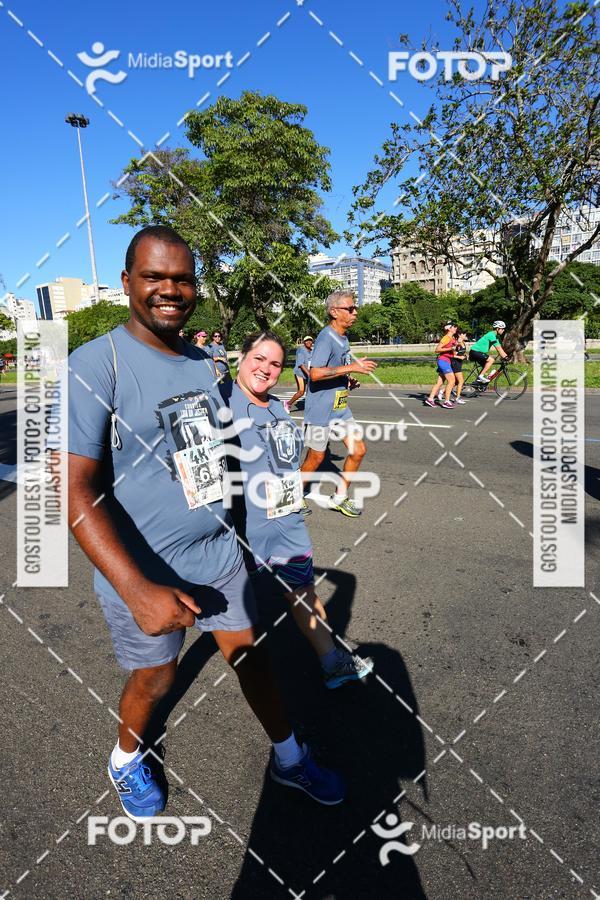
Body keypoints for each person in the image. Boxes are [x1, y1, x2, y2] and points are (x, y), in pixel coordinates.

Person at [67, 225, 345, 820]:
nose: (169, 289)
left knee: (252, 658)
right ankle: (123, 759)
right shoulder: (97, 363)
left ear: (195, 288)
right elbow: (75, 488)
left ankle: (290, 759)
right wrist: (134, 586)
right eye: (153, 277)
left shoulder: (201, 362)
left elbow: (213, 447)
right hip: (144, 567)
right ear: (126, 283)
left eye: (182, 279)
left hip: (217, 554)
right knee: (155, 681)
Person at [223, 330, 373, 689]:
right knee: (228, 610)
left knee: (303, 590)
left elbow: (288, 461)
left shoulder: (276, 405)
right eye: (258, 358)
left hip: (285, 519)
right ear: (241, 359)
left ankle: (332, 662)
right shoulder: (219, 402)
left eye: (275, 363)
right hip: (242, 527)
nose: (267, 368)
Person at [301, 291, 377, 518]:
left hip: (339, 408)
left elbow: (333, 369)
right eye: (350, 309)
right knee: (316, 458)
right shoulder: (326, 337)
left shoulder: (342, 337)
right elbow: (314, 374)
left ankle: (340, 497)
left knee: (358, 450)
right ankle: (293, 495)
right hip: (320, 410)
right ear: (334, 312)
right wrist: (351, 368)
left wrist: (347, 380)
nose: (355, 312)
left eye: (355, 308)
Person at [424, 321, 457, 408]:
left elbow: (453, 351)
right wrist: (451, 348)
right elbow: (437, 349)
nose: (456, 328)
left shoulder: (452, 338)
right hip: (443, 361)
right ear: (449, 328)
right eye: (454, 326)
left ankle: (430, 399)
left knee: (439, 382)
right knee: (452, 381)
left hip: (447, 361)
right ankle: (446, 401)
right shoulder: (446, 338)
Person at [285, 335, 313, 412]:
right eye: (307, 340)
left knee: (311, 391)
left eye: (310, 340)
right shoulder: (301, 350)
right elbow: (301, 364)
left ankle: (309, 406)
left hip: (308, 374)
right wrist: (309, 374)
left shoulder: (312, 351)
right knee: (301, 391)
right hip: (300, 373)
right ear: (304, 342)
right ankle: (288, 403)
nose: (309, 342)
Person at [439, 329, 468, 405]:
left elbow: (461, 352)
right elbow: (453, 354)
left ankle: (442, 391)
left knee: (456, 382)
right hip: (455, 363)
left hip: (459, 363)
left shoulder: (462, 342)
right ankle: (457, 398)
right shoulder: (457, 342)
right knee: (460, 381)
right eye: (464, 334)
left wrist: (465, 355)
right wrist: (460, 357)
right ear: (459, 335)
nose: (465, 336)